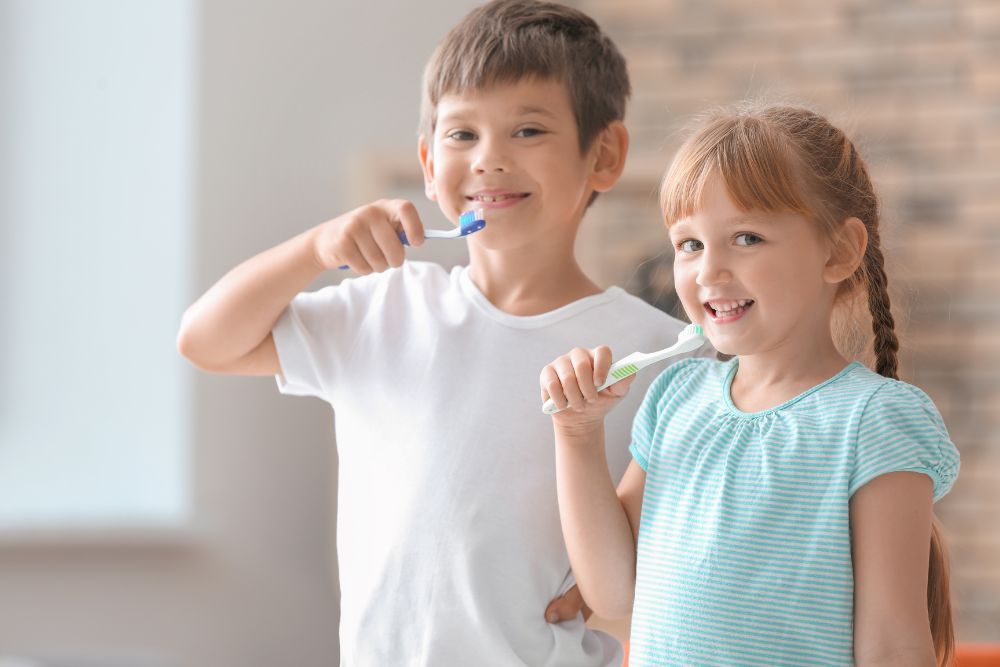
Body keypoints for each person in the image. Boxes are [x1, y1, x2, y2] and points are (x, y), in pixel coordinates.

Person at [177, 1, 707, 664]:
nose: (489, 160)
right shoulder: (384, 309)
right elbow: (206, 340)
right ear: (428, 163)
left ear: (604, 155)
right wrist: (314, 248)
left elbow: (670, 567)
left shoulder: (658, 353)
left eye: (529, 130)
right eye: (462, 136)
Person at [540, 103, 961, 667]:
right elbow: (614, 592)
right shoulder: (675, 398)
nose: (708, 270)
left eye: (746, 237)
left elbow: (892, 643)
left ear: (838, 251)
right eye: (689, 244)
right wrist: (577, 433)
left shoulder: (874, 419)